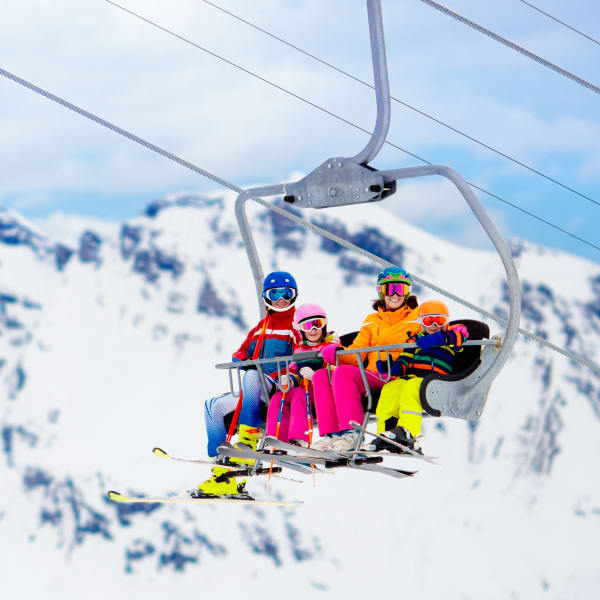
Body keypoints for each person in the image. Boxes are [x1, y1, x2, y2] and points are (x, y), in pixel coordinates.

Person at [194, 271, 299, 497]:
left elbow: (302, 355)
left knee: (251, 376)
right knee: (212, 406)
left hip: (278, 387)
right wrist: (242, 359)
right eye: (275, 293)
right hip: (255, 388)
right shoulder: (263, 326)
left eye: (286, 294)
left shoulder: (295, 325)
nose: (281, 299)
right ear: (266, 297)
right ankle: (221, 465)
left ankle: (248, 441)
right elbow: (241, 351)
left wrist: (288, 374)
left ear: (294, 296)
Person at [311, 266, 420, 451]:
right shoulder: (372, 320)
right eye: (389, 289)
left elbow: (435, 325)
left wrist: (455, 331)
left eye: (400, 289)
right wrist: (338, 353)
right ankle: (333, 435)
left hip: (395, 373)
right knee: (322, 375)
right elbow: (357, 354)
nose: (395, 294)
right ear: (381, 291)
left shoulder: (416, 317)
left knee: (344, 374)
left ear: (408, 292)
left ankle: (353, 434)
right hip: (372, 374)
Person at [370, 299, 469, 453]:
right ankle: (387, 433)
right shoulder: (414, 341)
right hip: (414, 378)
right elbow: (404, 363)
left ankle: (408, 432)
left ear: (446, 322)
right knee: (390, 388)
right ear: (421, 323)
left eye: (439, 321)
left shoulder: (452, 335)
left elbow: (460, 338)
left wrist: (435, 339)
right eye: (429, 321)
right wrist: (391, 368)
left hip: (438, 381)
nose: (434, 325)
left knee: (412, 387)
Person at [265, 303, 338, 446]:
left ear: (324, 325)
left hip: (321, 390)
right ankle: (276, 438)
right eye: (307, 326)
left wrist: (316, 375)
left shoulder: (330, 347)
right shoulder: (299, 351)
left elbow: (335, 370)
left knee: (299, 395)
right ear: (300, 330)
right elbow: (293, 370)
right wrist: (290, 379)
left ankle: (299, 439)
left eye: (317, 324)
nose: (313, 330)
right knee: (278, 398)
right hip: (303, 387)